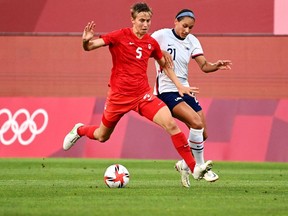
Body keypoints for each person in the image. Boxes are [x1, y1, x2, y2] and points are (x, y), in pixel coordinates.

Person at [63, 3, 212, 183]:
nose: (145, 24)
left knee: (171, 124)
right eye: (142, 20)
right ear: (133, 20)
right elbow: (91, 46)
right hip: (118, 97)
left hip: (142, 96)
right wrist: (85, 41)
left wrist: (179, 85)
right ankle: (79, 129)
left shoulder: (151, 42)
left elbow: (165, 64)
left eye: (148, 20)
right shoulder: (119, 35)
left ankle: (194, 167)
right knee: (102, 136)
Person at [151, 9, 232, 187]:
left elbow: (203, 66)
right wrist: (160, 51)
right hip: (166, 91)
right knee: (196, 122)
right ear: (175, 21)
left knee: (203, 133)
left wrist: (215, 66)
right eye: (184, 26)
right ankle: (201, 167)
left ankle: (185, 164)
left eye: (190, 27)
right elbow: (145, 46)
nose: (187, 30)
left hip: (185, 90)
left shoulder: (192, 41)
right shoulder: (161, 35)